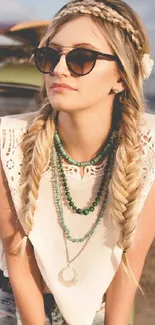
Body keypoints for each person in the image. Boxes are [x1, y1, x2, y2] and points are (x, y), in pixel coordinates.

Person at [0, 0, 155, 324]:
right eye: (50, 55)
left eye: (81, 58)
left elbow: (130, 260)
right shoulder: (8, 141)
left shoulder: (148, 145)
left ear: (121, 77)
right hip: (15, 300)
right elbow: (17, 258)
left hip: (97, 302)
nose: (58, 69)